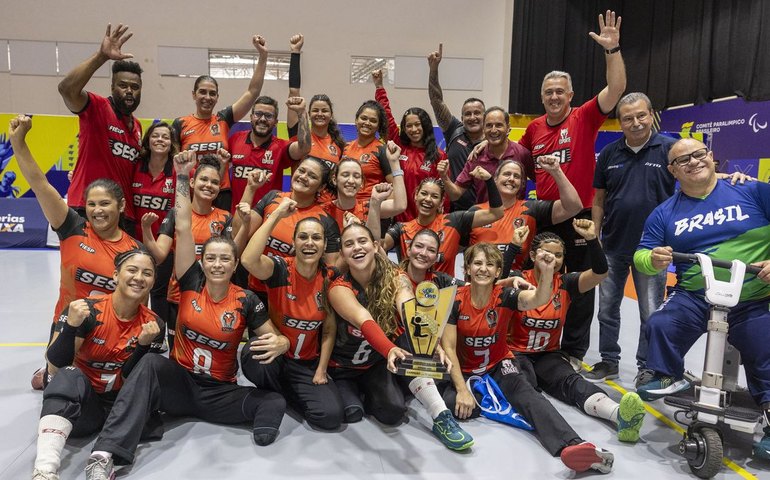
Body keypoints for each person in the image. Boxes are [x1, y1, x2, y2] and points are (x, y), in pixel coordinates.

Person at [82, 150, 290, 480]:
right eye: (211, 259)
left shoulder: (246, 300)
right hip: (180, 383)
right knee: (151, 363)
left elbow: (272, 336)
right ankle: (105, 453)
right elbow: (182, 222)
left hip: (219, 392)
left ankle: (156, 417)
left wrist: (279, 341)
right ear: (201, 262)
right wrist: (181, 176)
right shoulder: (190, 279)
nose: (218, 265)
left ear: (234, 265)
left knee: (273, 403)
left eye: (225, 260)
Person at [633, 137, 770, 460]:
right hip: (695, 296)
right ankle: (666, 373)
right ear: (672, 170)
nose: (693, 162)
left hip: (752, 298)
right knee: (660, 324)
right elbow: (640, 255)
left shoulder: (751, 191)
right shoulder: (665, 213)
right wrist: (652, 259)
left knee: (766, 350)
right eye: (683, 160)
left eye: (699, 154)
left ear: (711, 157)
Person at [441, 242, 614, 473]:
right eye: (478, 263)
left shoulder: (504, 295)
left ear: (497, 271)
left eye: (490, 264)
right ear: (468, 268)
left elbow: (537, 300)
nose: (483, 269)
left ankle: (576, 445)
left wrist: (547, 271)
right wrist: (462, 389)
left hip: (499, 363)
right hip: (464, 368)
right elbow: (449, 348)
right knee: (456, 405)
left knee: (527, 394)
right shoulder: (455, 299)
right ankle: (488, 398)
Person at [518, 10, 627, 368]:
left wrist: (612, 50)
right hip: (546, 215)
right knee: (540, 277)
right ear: (541, 95)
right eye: (548, 92)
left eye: (559, 91)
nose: (553, 96)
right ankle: (537, 340)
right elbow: (519, 166)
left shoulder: (584, 117)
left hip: (578, 216)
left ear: (570, 95)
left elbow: (616, 90)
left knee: (579, 285)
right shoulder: (533, 129)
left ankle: (573, 351)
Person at [9, 115, 144, 390]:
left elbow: (139, 308)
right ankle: (50, 366)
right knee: (54, 387)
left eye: (105, 203)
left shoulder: (135, 251)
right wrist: (18, 143)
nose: (97, 210)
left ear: (120, 206)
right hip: (67, 327)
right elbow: (39, 183)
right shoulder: (71, 226)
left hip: (110, 337)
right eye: (92, 204)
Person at [328, 223, 474, 451]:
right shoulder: (339, 288)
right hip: (342, 368)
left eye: (362, 241)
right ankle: (355, 396)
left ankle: (441, 417)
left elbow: (409, 309)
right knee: (349, 413)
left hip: (375, 364)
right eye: (349, 244)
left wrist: (429, 342)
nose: (357, 247)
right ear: (343, 255)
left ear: (375, 246)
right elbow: (364, 320)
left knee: (393, 413)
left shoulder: (396, 275)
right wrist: (388, 349)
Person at [505, 221, 647, 444]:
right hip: (514, 353)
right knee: (526, 388)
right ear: (533, 255)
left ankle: (619, 415)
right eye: (546, 252)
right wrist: (513, 246)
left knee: (572, 382)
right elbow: (497, 279)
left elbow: (600, 272)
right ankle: (560, 434)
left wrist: (592, 239)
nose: (552, 258)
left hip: (547, 354)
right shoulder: (518, 279)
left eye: (559, 255)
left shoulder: (566, 282)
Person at [31, 248, 162, 480]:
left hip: (122, 412)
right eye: (132, 270)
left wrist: (143, 346)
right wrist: (70, 326)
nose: (139, 278)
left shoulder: (153, 324)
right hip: (85, 409)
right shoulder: (87, 310)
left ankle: (104, 460)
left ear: (153, 281)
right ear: (115, 275)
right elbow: (55, 366)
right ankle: (45, 469)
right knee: (69, 374)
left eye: (147, 273)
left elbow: (137, 379)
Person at [239, 197, 344, 430]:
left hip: (306, 364)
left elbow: (328, 329)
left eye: (316, 238)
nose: (309, 243)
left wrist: (322, 369)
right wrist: (276, 215)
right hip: (278, 356)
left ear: (325, 245)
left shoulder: (330, 277)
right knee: (253, 352)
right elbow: (247, 259)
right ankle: (278, 389)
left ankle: (280, 394)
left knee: (330, 416)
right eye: (303, 237)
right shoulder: (279, 268)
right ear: (294, 242)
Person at [141, 152, 241, 350]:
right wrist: (146, 230)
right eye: (204, 179)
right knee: (178, 352)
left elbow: (234, 257)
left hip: (213, 298)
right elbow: (159, 255)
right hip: (179, 296)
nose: (208, 185)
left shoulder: (225, 218)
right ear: (193, 182)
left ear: (219, 188)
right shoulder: (176, 214)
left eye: (214, 182)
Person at [57, 24, 144, 232]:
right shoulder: (97, 108)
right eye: (123, 86)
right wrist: (101, 57)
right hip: (87, 207)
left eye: (135, 87)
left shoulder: (138, 126)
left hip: (123, 213)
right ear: (112, 88)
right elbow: (66, 90)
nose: (129, 91)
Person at [172, 35, 268, 211]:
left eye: (212, 93)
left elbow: (252, 92)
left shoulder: (223, 119)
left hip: (221, 192)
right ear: (194, 94)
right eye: (202, 92)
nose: (207, 97)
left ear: (217, 97)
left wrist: (262, 57)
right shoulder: (180, 124)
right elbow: (174, 166)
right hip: (193, 191)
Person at [239, 156, 341, 300]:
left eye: (312, 176)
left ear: (321, 187)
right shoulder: (272, 197)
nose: (304, 177)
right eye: (301, 171)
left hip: (291, 297)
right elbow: (240, 235)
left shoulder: (327, 222)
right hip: (254, 288)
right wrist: (250, 188)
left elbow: (329, 273)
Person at [466, 156, 582, 270]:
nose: (511, 179)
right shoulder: (475, 211)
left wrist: (556, 171)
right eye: (507, 174)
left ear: (522, 185)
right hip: (480, 282)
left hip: (518, 284)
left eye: (516, 176)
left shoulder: (531, 209)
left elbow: (574, 207)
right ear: (495, 179)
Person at [383, 172, 503, 277]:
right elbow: (377, 246)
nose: (428, 199)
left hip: (444, 296)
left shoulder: (454, 221)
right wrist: (377, 204)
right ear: (415, 196)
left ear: (441, 202)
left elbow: (496, 213)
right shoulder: (402, 228)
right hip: (409, 295)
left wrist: (489, 180)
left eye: (434, 196)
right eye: (424, 193)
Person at [373, 69, 447, 222]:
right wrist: (379, 87)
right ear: (404, 129)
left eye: (417, 125)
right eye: (409, 126)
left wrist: (440, 221)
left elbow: (443, 194)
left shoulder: (438, 155)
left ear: (425, 126)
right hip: (398, 223)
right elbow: (386, 116)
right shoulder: (398, 147)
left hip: (426, 222)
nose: (413, 130)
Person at [427, 43, 486, 211]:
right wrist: (433, 70)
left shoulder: (494, 139)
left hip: (488, 212)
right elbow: (436, 101)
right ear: (461, 118)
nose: (472, 117)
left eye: (477, 113)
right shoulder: (454, 130)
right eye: (468, 114)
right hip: (456, 212)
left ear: (485, 116)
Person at [131, 121, 177, 327]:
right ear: (148, 140)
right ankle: (133, 329)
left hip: (165, 244)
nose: (160, 140)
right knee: (135, 288)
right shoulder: (134, 167)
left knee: (158, 291)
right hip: (135, 242)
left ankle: (158, 334)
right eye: (156, 136)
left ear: (171, 143)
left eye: (165, 137)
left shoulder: (178, 170)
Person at [229, 96, 311, 211]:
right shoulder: (235, 139)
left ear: (276, 122)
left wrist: (301, 112)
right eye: (258, 114)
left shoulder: (280, 147)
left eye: (268, 116)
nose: (262, 119)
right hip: (237, 217)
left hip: (267, 220)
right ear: (251, 117)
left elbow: (304, 148)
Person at [441, 107, 530, 205]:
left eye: (499, 125)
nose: (493, 130)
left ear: (508, 128)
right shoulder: (476, 156)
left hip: (515, 218)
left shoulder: (522, 153)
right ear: (483, 129)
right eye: (489, 125)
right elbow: (455, 194)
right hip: (486, 218)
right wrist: (444, 177)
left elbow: (540, 180)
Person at [285, 34, 346, 169]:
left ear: (331, 115)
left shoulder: (339, 145)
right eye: (315, 110)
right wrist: (295, 53)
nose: (320, 114)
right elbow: (293, 91)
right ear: (308, 113)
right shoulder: (299, 134)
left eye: (324, 110)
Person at [321, 141, 406, 231]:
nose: (351, 181)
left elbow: (400, 205)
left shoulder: (369, 208)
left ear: (361, 183)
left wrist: (394, 162)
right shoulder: (323, 211)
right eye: (345, 175)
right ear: (334, 180)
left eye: (356, 176)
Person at [342, 100, 393, 202]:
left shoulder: (382, 150)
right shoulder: (345, 147)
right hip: (346, 207)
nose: (367, 123)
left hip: (370, 210)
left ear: (378, 126)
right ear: (356, 120)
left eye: (373, 121)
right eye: (363, 118)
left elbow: (394, 186)